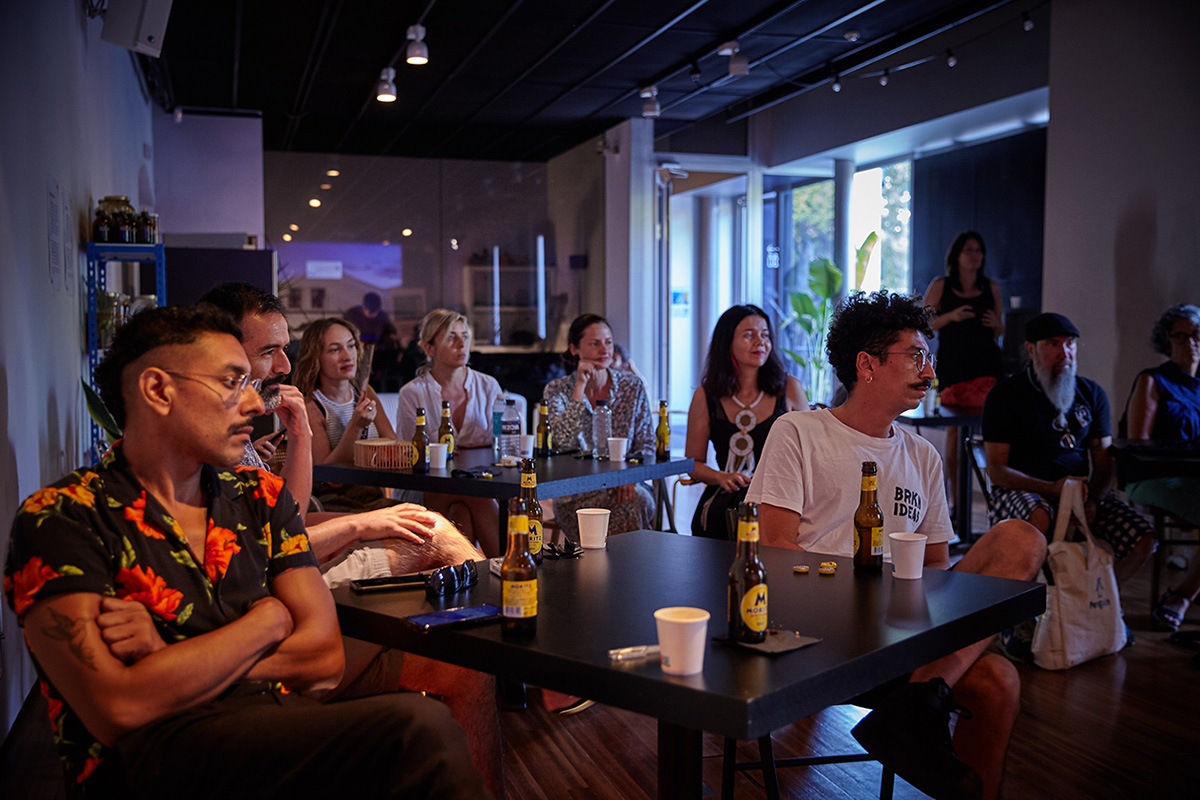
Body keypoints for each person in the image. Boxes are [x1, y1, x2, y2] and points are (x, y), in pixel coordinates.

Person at [4, 306, 488, 798]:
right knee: (417, 729)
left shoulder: (258, 497)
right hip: (149, 760)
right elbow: (117, 708)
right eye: (232, 382)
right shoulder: (63, 517)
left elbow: (324, 662)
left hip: (274, 722)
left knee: (425, 726)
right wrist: (268, 623)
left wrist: (166, 655)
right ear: (158, 390)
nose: (255, 404)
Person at [198, 285, 502, 794]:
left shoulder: (240, 438)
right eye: (267, 352)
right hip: (273, 641)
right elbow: (278, 545)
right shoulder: (202, 456)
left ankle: (507, 647)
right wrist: (359, 524)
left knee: (467, 661)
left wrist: (312, 452)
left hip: (296, 591)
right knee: (436, 536)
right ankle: (524, 642)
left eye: (285, 350)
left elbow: (286, 521)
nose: (282, 366)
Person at [747, 291, 1045, 800]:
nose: (929, 371)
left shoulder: (922, 455)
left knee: (1021, 542)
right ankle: (917, 707)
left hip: (902, 630)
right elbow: (775, 549)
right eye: (915, 356)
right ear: (867, 365)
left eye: (930, 358)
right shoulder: (799, 431)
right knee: (995, 674)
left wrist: (905, 609)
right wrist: (871, 595)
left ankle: (915, 706)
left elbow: (936, 567)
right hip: (818, 625)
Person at [982, 312, 1156, 587]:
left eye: (1070, 343)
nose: (1064, 353)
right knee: (1039, 516)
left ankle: (1098, 601)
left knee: (1143, 537)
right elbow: (997, 470)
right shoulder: (1005, 395)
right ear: (1031, 349)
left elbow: (1103, 459)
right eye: (1053, 344)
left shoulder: (1092, 393)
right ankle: (1025, 602)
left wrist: (1093, 500)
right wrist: (1052, 489)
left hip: (1081, 493)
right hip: (1021, 489)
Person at [685, 304, 809, 539]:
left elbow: (810, 455)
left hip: (779, 498)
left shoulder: (790, 388)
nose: (760, 342)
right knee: (718, 521)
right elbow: (693, 464)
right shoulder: (706, 395)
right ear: (727, 342)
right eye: (749, 335)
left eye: (765, 335)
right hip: (725, 499)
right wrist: (721, 477)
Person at [396, 309, 504, 557]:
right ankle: (508, 566)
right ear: (429, 348)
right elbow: (410, 454)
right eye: (451, 338)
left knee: (461, 512)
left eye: (465, 336)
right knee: (477, 494)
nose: (461, 344)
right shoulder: (412, 393)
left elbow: (501, 443)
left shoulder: (488, 386)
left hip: (479, 482)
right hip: (428, 486)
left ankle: (467, 575)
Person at [1119, 303, 1200, 629]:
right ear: (1167, 342)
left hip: (1192, 478)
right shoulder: (1152, 380)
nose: (1190, 342)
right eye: (1180, 336)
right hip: (1151, 477)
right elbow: (1139, 445)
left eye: (1196, 334)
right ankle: (1181, 596)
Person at [543, 313, 654, 543]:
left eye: (608, 342)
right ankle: (606, 566)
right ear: (574, 349)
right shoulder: (556, 389)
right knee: (609, 514)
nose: (605, 350)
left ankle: (619, 566)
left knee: (634, 502)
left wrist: (629, 476)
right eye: (594, 343)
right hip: (576, 492)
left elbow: (646, 445)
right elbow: (562, 441)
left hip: (627, 484)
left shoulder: (632, 386)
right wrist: (579, 387)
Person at [923, 231, 1005, 504]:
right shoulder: (942, 285)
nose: (974, 255)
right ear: (956, 255)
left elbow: (1000, 331)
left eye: (978, 250)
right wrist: (952, 316)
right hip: (953, 364)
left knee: (992, 427)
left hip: (986, 364)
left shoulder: (992, 287)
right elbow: (924, 324)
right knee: (954, 432)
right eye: (968, 250)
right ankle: (956, 502)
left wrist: (997, 325)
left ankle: (996, 498)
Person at [295, 317, 397, 505]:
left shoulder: (365, 392)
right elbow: (327, 475)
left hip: (373, 494)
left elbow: (393, 445)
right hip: (336, 502)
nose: (347, 356)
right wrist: (355, 427)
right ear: (316, 357)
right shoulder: (311, 405)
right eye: (335, 350)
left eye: (351, 346)